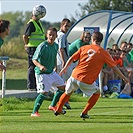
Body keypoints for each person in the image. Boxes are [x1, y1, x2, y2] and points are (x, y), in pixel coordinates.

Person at [54, 32, 129, 119]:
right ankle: (84, 112)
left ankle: (58, 109)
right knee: (97, 93)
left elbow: (71, 58)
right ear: (101, 41)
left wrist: (65, 68)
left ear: (92, 39)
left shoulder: (84, 48)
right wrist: (124, 77)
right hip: (86, 80)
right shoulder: (103, 53)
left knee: (68, 92)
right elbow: (115, 68)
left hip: (74, 76)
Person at [31, 27, 65, 117]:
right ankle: (34, 112)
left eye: (53, 35)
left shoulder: (55, 46)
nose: (51, 36)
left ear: (56, 36)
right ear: (46, 35)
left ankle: (53, 105)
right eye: (49, 34)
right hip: (41, 73)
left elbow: (54, 57)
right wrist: (40, 66)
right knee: (44, 93)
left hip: (51, 72)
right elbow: (34, 59)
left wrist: (55, 67)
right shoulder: (42, 45)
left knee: (63, 87)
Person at [49, 18, 72, 110]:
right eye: (65, 26)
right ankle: (59, 103)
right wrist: (64, 62)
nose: (67, 28)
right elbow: (61, 49)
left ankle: (63, 101)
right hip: (62, 62)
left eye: (68, 26)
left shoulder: (58, 34)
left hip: (58, 61)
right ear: (61, 25)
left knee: (63, 83)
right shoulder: (62, 35)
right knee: (63, 83)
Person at [23, 5, 45, 91]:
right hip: (32, 48)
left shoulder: (39, 23)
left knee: (37, 66)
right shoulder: (31, 23)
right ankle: (31, 86)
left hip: (38, 48)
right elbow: (25, 36)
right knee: (32, 66)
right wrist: (26, 44)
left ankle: (36, 85)